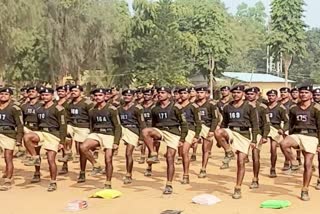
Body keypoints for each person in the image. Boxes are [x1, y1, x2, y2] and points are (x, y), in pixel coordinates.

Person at [214, 85, 258, 199]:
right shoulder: (227, 107)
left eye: (238, 92)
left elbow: (255, 125)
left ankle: (238, 188)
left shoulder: (250, 107)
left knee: (240, 162)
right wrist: (220, 140)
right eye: (234, 92)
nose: (236, 94)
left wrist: (253, 140)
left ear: (243, 93)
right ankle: (229, 152)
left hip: (244, 135)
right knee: (218, 132)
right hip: (231, 132)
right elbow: (224, 123)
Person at [142, 86, 188, 194]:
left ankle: (169, 184)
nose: (160, 94)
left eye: (162, 92)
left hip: (173, 133)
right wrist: (154, 138)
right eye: (158, 92)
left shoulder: (176, 107)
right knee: (145, 131)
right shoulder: (154, 108)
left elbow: (184, 124)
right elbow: (153, 124)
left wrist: (182, 138)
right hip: (160, 131)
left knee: (169, 157)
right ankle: (153, 154)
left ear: (169, 94)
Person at [280, 85, 320, 201]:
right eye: (301, 92)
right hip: (297, 134)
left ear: (311, 95)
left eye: (306, 92)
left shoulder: (316, 108)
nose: (303, 94)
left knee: (308, 164)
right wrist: (288, 133)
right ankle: (294, 162)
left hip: (311, 136)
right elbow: (291, 124)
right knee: (283, 144)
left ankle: (305, 189)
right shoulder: (293, 108)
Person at [23, 87, 67, 192]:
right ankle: (35, 158)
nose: (44, 97)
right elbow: (38, 124)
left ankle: (53, 181)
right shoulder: (39, 109)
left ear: (52, 96)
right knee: (27, 137)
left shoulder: (59, 109)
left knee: (50, 159)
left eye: (47, 95)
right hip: (42, 132)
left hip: (53, 134)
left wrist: (62, 142)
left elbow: (63, 126)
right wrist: (35, 135)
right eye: (42, 95)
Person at [78, 88, 121, 188]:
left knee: (108, 159)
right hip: (96, 133)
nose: (98, 97)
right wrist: (92, 138)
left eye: (100, 95)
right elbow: (91, 125)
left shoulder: (112, 109)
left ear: (105, 96)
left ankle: (108, 182)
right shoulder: (92, 110)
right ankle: (95, 164)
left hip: (109, 134)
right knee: (83, 147)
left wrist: (116, 142)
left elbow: (117, 126)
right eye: (96, 95)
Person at [119, 89, 146, 184]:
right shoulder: (119, 108)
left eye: (129, 95)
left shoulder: (138, 108)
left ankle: (128, 174)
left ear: (133, 97)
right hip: (122, 129)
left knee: (128, 153)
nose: (127, 97)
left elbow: (142, 123)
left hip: (133, 130)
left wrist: (141, 138)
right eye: (125, 95)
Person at [245, 87, 270, 189]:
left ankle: (255, 178)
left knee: (255, 155)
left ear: (257, 95)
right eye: (248, 94)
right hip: (244, 132)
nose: (250, 96)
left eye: (252, 94)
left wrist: (264, 136)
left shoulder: (263, 107)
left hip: (258, 132)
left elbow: (266, 123)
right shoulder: (243, 106)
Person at [0, 88, 23, 191]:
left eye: (6, 94)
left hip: (9, 134)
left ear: (10, 96)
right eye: (1, 94)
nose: (3, 96)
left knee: (8, 157)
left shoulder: (15, 108)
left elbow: (19, 124)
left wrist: (19, 140)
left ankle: (8, 179)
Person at [178, 87, 201, 184]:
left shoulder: (194, 107)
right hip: (178, 129)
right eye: (181, 93)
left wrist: (196, 136)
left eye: (185, 93)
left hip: (189, 130)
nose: (183, 95)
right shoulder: (176, 106)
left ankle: (186, 175)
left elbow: (198, 122)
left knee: (184, 152)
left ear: (188, 95)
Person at [66, 85, 94, 164]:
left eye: (76, 91)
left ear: (81, 92)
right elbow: (67, 116)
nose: (73, 92)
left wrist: (92, 130)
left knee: (83, 149)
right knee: (64, 132)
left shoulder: (87, 103)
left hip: (83, 126)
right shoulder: (69, 103)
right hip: (72, 124)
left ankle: (94, 164)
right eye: (72, 91)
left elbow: (92, 117)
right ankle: (68, 152)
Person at [195, 86, 219, 176]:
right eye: (198, 92)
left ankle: (203, 168)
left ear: (206, 94)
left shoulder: (211, 105)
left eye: (202, 92)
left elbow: (215, 118)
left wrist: (212, 130)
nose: (199, 94)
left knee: (205, 149)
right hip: (196, 126)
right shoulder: (193, 104)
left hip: (207, 127)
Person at [266, 89, 289, 177]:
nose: (271, 97)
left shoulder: (281, 107)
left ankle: (272, 168)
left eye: (273, 96)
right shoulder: (265, 106)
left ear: (276, 97)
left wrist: (282, 130)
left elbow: (287, 121)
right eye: (269, 96)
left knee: (273, 148)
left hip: (275, 128)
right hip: (265, 127)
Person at [55, 85, 72, 174]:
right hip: (58, 124)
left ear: (66, 92)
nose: (60, 93)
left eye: (62, 91)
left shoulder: (69, 102)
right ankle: (65, 166)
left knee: (66, 141)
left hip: (68, 124)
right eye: (59, 91)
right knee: (62, 146)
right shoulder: (56, 102)